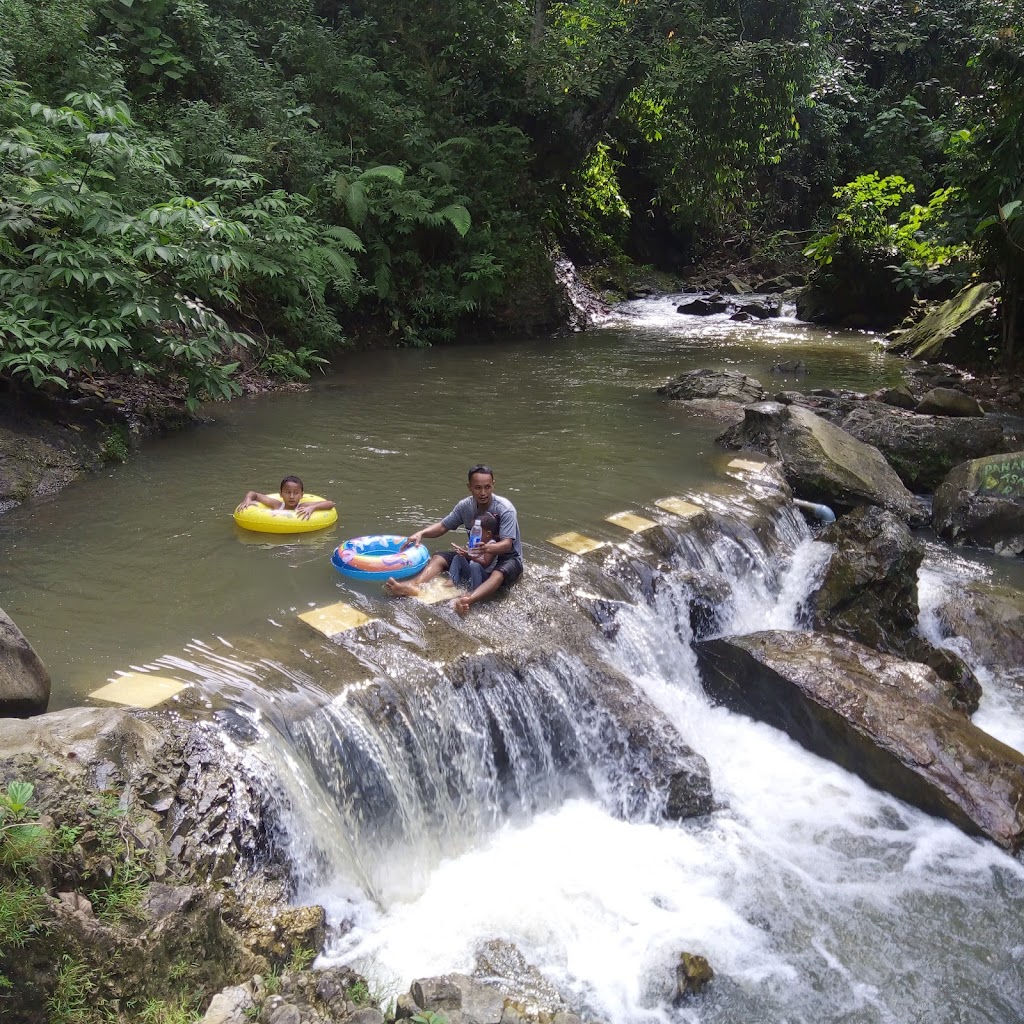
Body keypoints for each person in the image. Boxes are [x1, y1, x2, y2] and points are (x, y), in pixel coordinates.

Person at [385, 464, 523, 616]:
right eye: (477, 488)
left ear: (493, 485)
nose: (483, 493)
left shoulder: (505, 509)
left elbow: (507, 545)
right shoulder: (465, 506)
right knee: (439, 557)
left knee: (498, 575)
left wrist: (485, 549)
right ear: (469, 487)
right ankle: (415, 585)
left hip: (508, 558)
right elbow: (443, 526)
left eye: (487, 487)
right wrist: (421, 533)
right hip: (477, 555)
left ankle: (466, 600)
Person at [236, 476, 335, 521]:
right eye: (287, 492)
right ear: (281, 494)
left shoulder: (302, 506)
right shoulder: (277, 505)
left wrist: (312, 508)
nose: (291, 496)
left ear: (301, 495)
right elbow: (254, 494)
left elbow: (330, 504)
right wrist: (247, 500)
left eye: (296, 493)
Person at [448, 512, 499, 590]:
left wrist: (468, 556)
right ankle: (452, 581)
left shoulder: (491, 545)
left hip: (483, 577)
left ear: (488, 534)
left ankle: (474, 591)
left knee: (475, 565)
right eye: (472, 530)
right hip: (471, 572)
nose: (473, 534)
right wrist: (463, 552)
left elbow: (486, 563)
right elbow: (472, 555)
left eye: (477, 532)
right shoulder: (476, 542)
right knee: (458, 557)